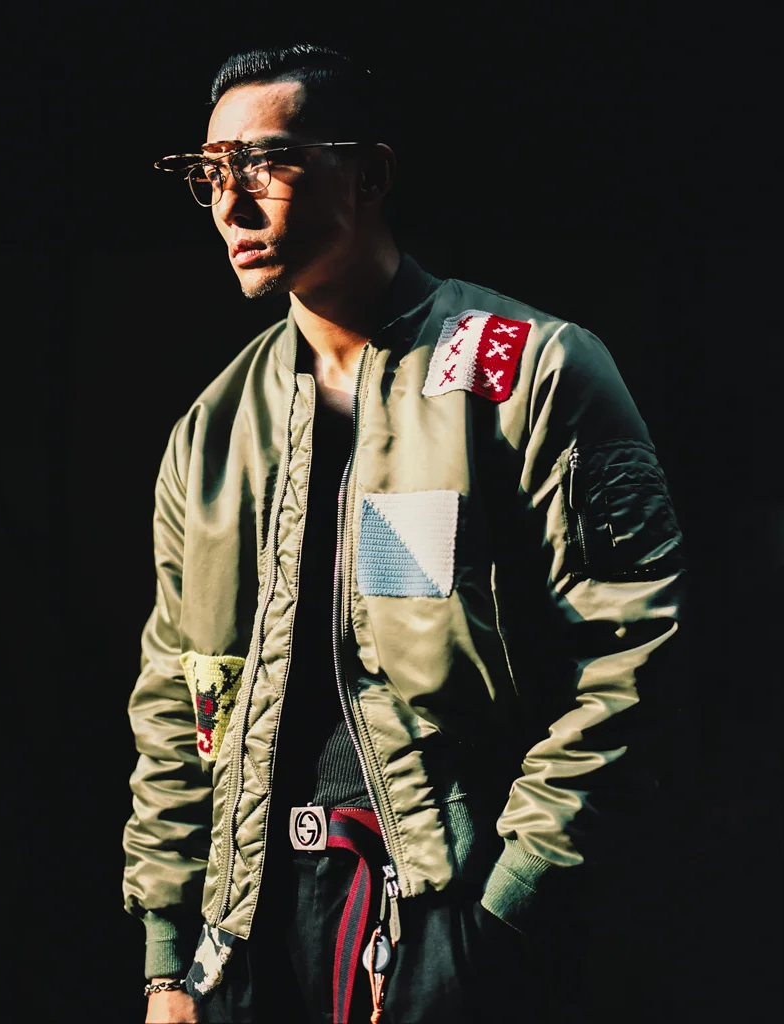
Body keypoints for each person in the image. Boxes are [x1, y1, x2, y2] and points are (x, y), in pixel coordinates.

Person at [123, 42, 686, 1024]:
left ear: (370, 175)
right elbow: (177, 699)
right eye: (211, 173)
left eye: (266, 164)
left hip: (452, 906)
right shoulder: (214, 430)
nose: (231, 204)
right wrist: (171, 959)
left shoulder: (525, 371)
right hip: (250, 926)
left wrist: (507, 906)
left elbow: (631, 648)